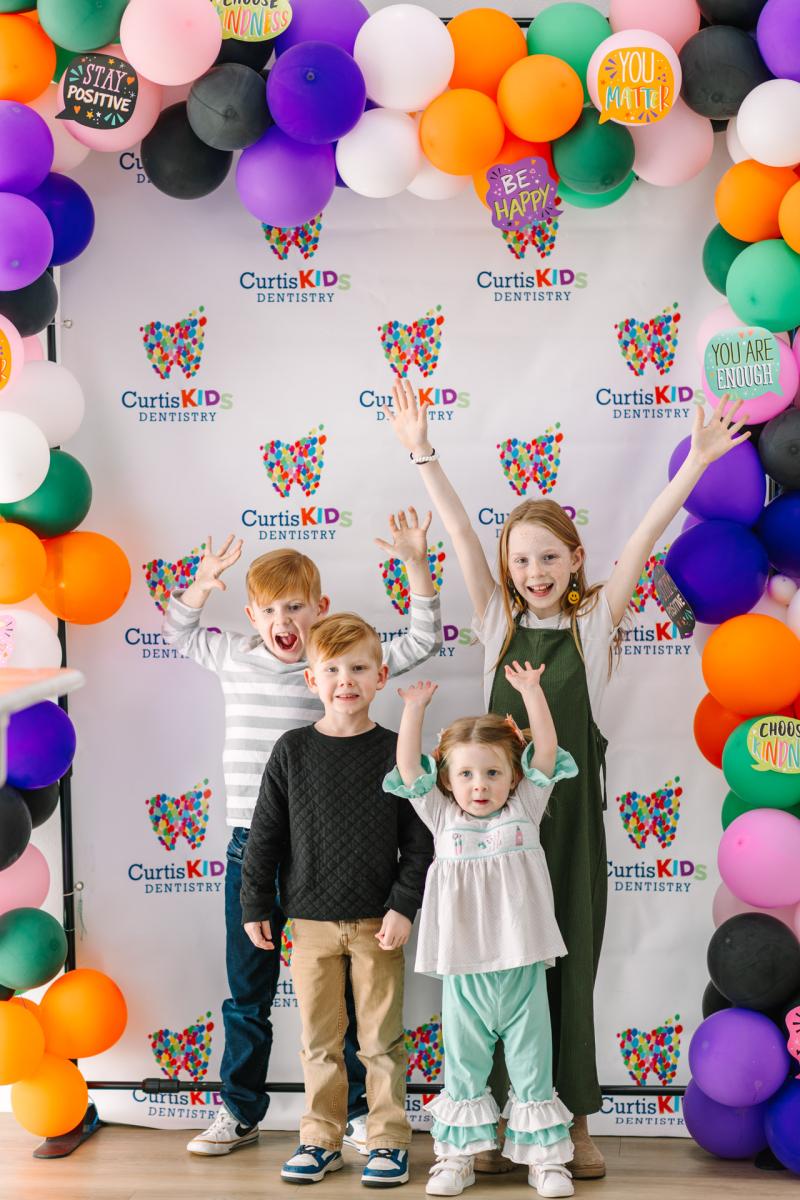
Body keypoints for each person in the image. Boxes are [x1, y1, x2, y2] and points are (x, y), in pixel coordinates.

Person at [387, 380, 748, 1178]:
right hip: (486, 827)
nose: (535, 570)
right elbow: (456, 533)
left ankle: (567, 1125)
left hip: (571, 819)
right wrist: (422, 451)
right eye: (522, 559)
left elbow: (647, 538)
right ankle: (484, 1128)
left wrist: (696, 469)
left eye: (550, 556)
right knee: (487, 970)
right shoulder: (495, 620)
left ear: (575, 559)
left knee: (567, 963)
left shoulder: (592, 623)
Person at [161, 511, 442, 1157]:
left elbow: (422, 636)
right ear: (252, 617)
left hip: (327, 845)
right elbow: (178, 629)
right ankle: (240, 1110)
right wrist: (203, 582)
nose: (284, 622)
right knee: (248, 989)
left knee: (344, 995)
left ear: (320, 608)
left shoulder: (340, 664)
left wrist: (416, 565)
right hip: (249, 846)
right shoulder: (234, 654)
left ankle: (347, 1119)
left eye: (296, 607)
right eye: (269, 610)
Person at [241, 612, 434, 1187]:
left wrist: (403, 906)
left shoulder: (400, 752)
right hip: (309, 925)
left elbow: (419, 842)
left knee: (380, 1040)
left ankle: (387, 1139)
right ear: (311, 679)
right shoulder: (292, 751)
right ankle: (320, 1138)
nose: (345, 680)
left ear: (380, 678)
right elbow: (266, 835)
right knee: (319, 1041)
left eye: (358, 668)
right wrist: (255, 904)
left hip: (379, 923)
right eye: (332, 669)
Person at [384, 664, 579, 1197]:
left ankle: (545, 1160)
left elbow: (544, 754)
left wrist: (534, 693)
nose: (479, 785)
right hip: (465, 971)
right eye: (466, 775)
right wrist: (413, 710)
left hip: (520, 964)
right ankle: (457, 1157)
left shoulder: (526, 807)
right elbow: (406, 768)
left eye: (492, 773)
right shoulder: (442, 818)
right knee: (463, 1066)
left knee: (532, 1063)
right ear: (447, 779)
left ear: (512, 778)